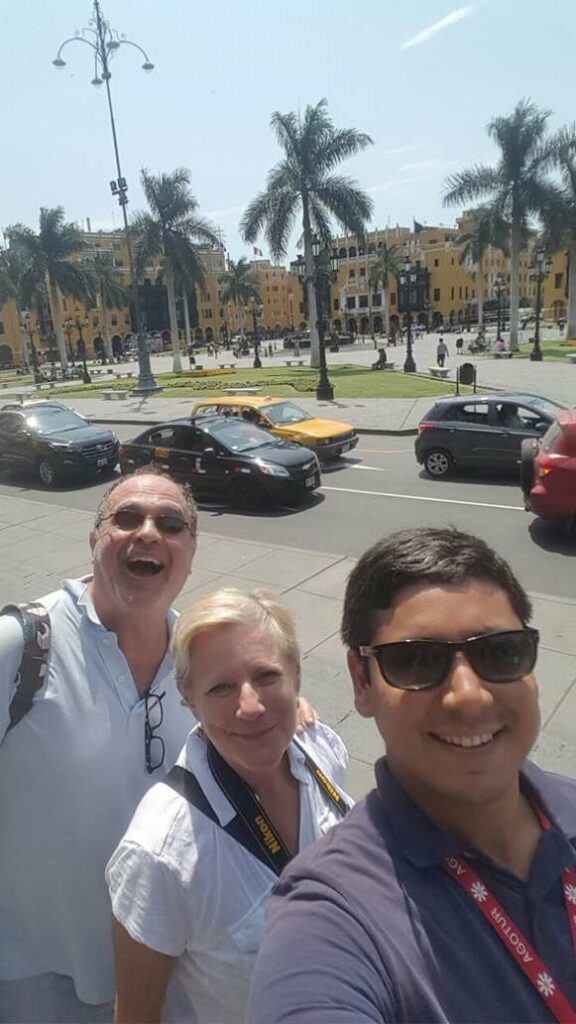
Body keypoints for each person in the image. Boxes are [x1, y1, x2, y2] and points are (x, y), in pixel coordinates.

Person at [0, 465, 317, 1023]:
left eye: (171, 523)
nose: (148, 532)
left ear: (190, 552)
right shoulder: (20, 647)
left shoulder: (201, 662)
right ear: (94, 537)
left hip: (170, 975)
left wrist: (283, 710)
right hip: (38, 978)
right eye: (127, 517)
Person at [248, 527, 576, 1024]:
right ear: (362, 681)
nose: (470, 695)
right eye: (418, 660)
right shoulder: (333, 913)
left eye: (500, 652)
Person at [107, 589, 351, 1023]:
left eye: (266, 676)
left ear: (296, 673)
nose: (250, 706)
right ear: (188, 697)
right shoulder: (159, 853)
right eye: (221, 687)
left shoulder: (321, 749)